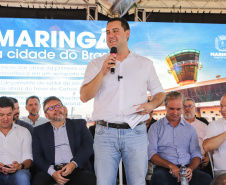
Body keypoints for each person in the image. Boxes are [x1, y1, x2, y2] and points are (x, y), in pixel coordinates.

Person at [80, 17, 165, 185]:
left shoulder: (144, 64)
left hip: (136, 132)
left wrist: (151, 105)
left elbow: (160, 94)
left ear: (127, 34)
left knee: (137, 182)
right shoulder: (96, 64)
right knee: (104, 182)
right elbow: (84, 96)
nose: (110, 35)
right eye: (107, 32)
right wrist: (103, 72)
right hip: (105, 132)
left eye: (115, 31)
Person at [148, 91, 212, 185]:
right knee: (158, 180)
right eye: (171, 109)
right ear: (165, 106)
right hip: (164, 168)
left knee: (206, 179)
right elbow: (151, 154)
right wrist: (171, 166)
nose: (175, 112)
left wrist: (191, 169)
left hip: (186, 168)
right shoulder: (155, 127)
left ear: (182, 107)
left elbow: (196, 154)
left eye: (178, 109)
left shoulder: (190, 129)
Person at [32, 96, 96, 185]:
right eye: (51, 108)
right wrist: (52, 172)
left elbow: (89, 146)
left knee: (89, 179)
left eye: (58, 106)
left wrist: (73, 163)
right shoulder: (38, 131)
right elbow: (36, 156)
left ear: (64, 109)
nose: (56, 109)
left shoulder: (79, 124)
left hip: (75, 167)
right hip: (50, 170)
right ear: (46, 115)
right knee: (39, 181)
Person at [0, 96, 32, 185]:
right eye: (1, 115)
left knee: (22, 177)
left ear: (14, 112)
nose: (5, 118)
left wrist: (19, 166)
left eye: (9, 114)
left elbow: (28, 159)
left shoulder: (24, 131)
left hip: (19, 172)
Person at [182, 97, 212, 176]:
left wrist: (208, 158)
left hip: (203, 163)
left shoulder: (204, 126)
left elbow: (210, 145)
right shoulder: (176, 125)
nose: (187, 108)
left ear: (195, 108)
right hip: (183, 163)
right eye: (184, 106)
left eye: (190, 106)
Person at [203, 94, 226, 177]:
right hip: (223, 173)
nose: (222, 110)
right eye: (221, 106)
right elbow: (207, 146)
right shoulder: (215, 125)